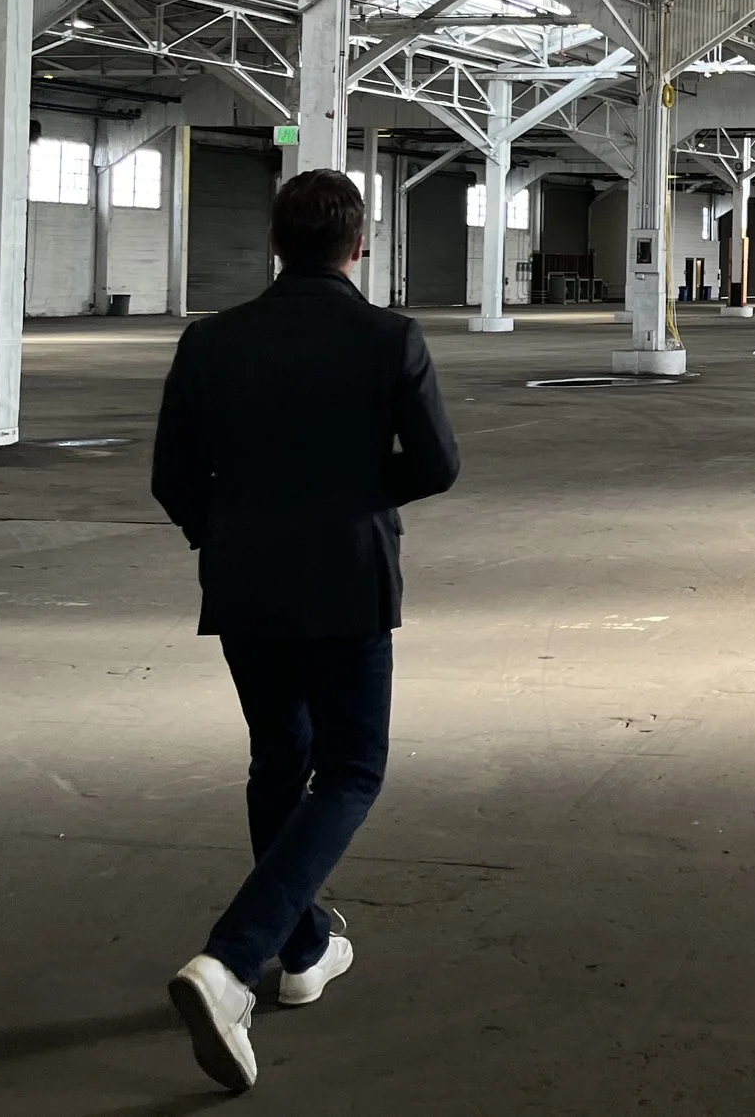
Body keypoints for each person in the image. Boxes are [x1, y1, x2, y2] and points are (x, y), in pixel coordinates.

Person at [152, 168, 459, 1092]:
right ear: (359, 244)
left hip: (245, 581)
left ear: (275, 244)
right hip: (347, 580)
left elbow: (173, 476)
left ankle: (304, 948)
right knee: (353, 766)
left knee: (276, 758)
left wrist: (232, 526)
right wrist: (358, 499)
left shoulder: (210, 341)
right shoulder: (389, 336)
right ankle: (232, 958)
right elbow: (437, 465)